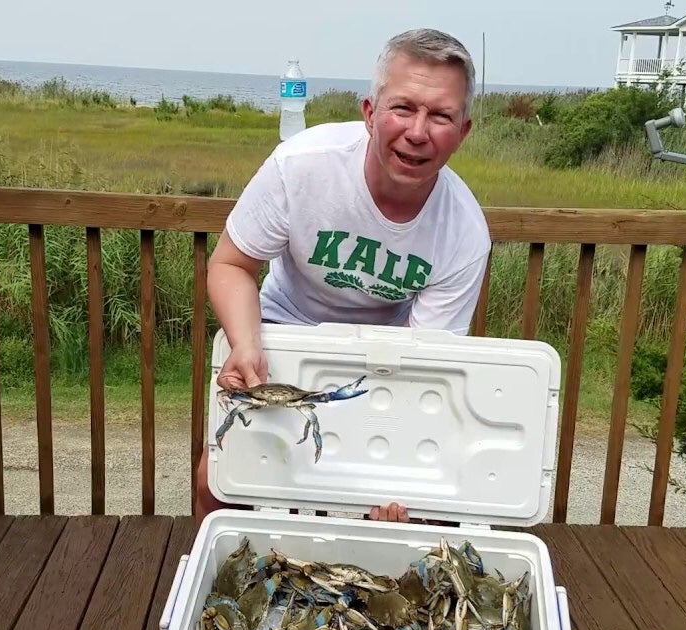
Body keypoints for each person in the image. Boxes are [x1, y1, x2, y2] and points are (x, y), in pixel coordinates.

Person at [195, 28, 491, 522]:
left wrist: (383, 474)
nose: (418, 131)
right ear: (370, 114)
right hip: (282, 341)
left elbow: (425, 365)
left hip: (388, 367)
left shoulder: (464, 233)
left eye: (440, 115)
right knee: (216, 480)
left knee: (394, 510)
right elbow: (231, 265)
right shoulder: (301, 167)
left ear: (462, 132)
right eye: (403, 108)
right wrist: (245, 343)